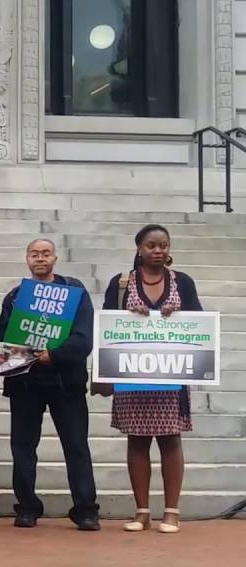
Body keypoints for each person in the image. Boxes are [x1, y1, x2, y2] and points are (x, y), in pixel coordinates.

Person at [0, 239, 100, 530]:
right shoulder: (16, 297)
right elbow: (3, 333)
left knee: (76, 445)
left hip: (66, 381)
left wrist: (53, 354)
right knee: (23, 446)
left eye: (45, 254)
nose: (40, 258)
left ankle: (86, 509)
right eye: (34, 254)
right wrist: (29, 350)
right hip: (25, 383)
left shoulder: (75, 293)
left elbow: (83, 338)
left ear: (55, 258)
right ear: (27, 259)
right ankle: (27, 507)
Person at [104, 224, 202, 534]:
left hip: (170, 374)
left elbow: (200, 322)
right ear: (139, 249)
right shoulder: (122, 283)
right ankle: (142, 511)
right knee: (137, 441)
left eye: (163, 245)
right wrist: (126, 312)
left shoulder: (182, 282)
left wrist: (181, 312)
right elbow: (105, 322)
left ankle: (171, 512)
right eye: (151, 245)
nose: (157, 250)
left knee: (171, 440)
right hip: (132, 374)